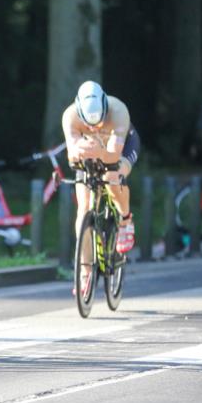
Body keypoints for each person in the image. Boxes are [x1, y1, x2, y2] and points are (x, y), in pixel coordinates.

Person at [63, 81, 141, 290]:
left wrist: (99, 151)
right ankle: (85, 270)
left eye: (98, 124)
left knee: (112, 177)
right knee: (84, 209)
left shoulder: (118, 111)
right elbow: (72, 155)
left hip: (121, 148)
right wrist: (80, 150)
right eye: (89, 126)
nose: (94, 128)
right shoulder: (69, 116)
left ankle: (125, 219)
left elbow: (114, 155)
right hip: (90, 153)